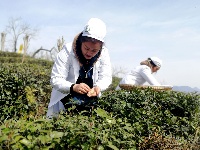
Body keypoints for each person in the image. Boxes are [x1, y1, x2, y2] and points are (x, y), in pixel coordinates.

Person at [47, 18, 112, 118]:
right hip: (67, 99)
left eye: (94, 50)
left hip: (89, 101)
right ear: (81, 41)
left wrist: (98, 87)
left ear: (100, 47)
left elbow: (106, 77)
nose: (89, 53)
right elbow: (56, 79)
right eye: (86, 48)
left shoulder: (104, 53)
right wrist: (73, 87)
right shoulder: (68, 51)